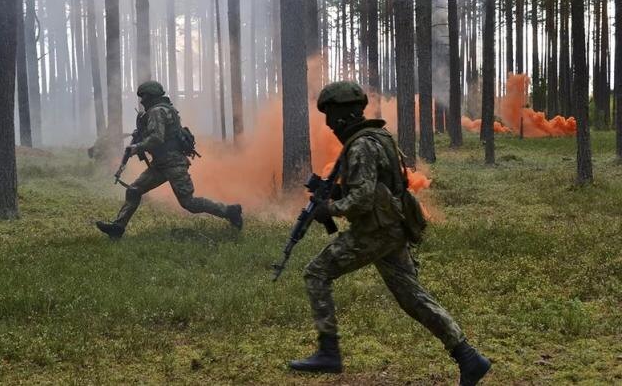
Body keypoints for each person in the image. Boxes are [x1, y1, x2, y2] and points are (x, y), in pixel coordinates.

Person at [289, 81, 490, 385]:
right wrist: (338, 191)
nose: (329, 125)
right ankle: (469, 357)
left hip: (376, 232)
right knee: (413, 298)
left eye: (330, 116)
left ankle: (328, 352)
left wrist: (327, 209)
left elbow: (361, 201)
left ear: (342, 114)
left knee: (316, 273)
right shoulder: (378, 136)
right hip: (392, 229)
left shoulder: (360, 145)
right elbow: (373, 185)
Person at [96, 81, 243, 239]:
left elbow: (156, 138)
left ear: (151, 96)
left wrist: (137, 147)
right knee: (133, 190)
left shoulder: (157, 111)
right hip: (160, 164)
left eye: (144, 97)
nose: (142, 101)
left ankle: (230, 211)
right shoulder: (164, 110)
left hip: (173, 164)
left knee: (189, 203)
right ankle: (118, 228)